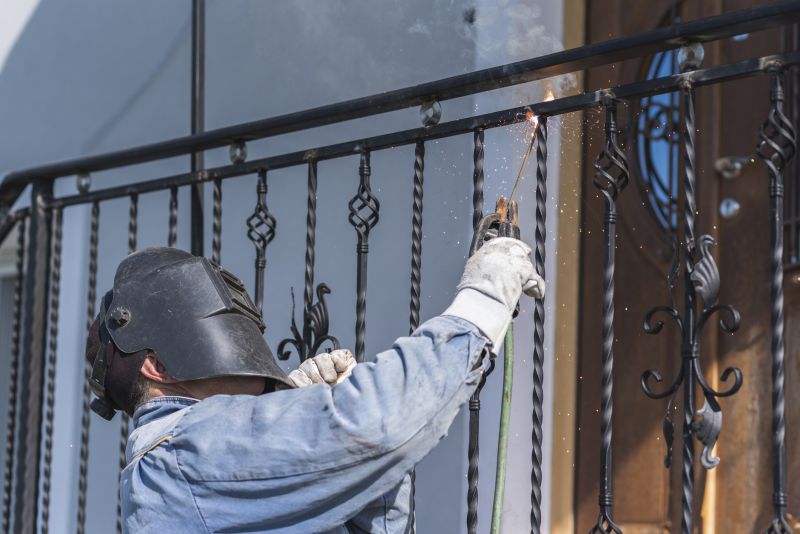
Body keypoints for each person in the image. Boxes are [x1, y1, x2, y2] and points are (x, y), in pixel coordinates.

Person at [85, 238, 544, 533]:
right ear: (157, 366)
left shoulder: (179, 463)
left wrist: (295, 408)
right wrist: (481, 306)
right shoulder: (183, 451)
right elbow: (374, 426)